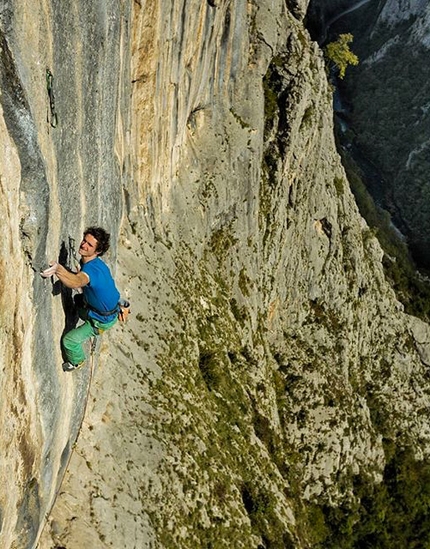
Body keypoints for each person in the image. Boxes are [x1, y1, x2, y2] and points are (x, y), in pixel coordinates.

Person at [41, 227, 120, 372]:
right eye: (85, 240)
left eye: (89, 245)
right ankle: (84, 313)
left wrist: (59, 269)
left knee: (69, 341)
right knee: (77, 299)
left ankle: (77, 361)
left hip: (100, 321)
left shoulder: (91, 271)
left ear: (97, 251)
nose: (83, 245)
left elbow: (77, 281)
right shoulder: (96, 264)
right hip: (107, 311)